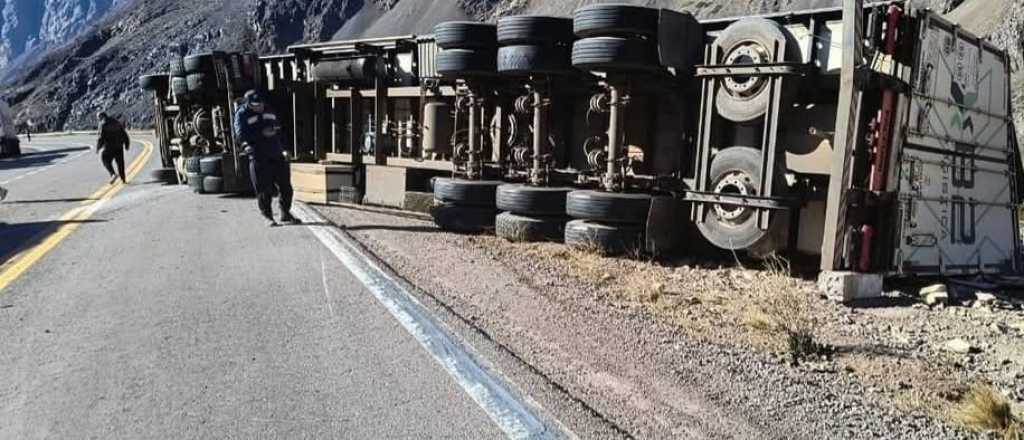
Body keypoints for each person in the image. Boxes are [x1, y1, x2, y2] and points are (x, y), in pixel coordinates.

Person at [233, 90, 298, 227]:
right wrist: (260, 134)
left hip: (276, 152)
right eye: (256, 105)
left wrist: (285, 149)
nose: (259, 107)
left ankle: (285, 213)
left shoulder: (269, 110)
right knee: (264, 188)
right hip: (258, 155)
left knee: (286, 187)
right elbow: (240, 136)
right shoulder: (242, 115)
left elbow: (280, 131)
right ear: (248, 104)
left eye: (261, 103)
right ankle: (268, 216)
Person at [96, 112, 130, 184]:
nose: (98, 119)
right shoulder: (116, 122)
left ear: (102, 116)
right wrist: (127, 144)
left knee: (104, 159)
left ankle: (113, 174)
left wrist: (98, 147)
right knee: (120, 163)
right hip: (119, 146)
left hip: (108, 147)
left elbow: (101, 137)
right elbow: (124, 133)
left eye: (98, 117)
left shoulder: (103, 124)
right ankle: (123, 179)